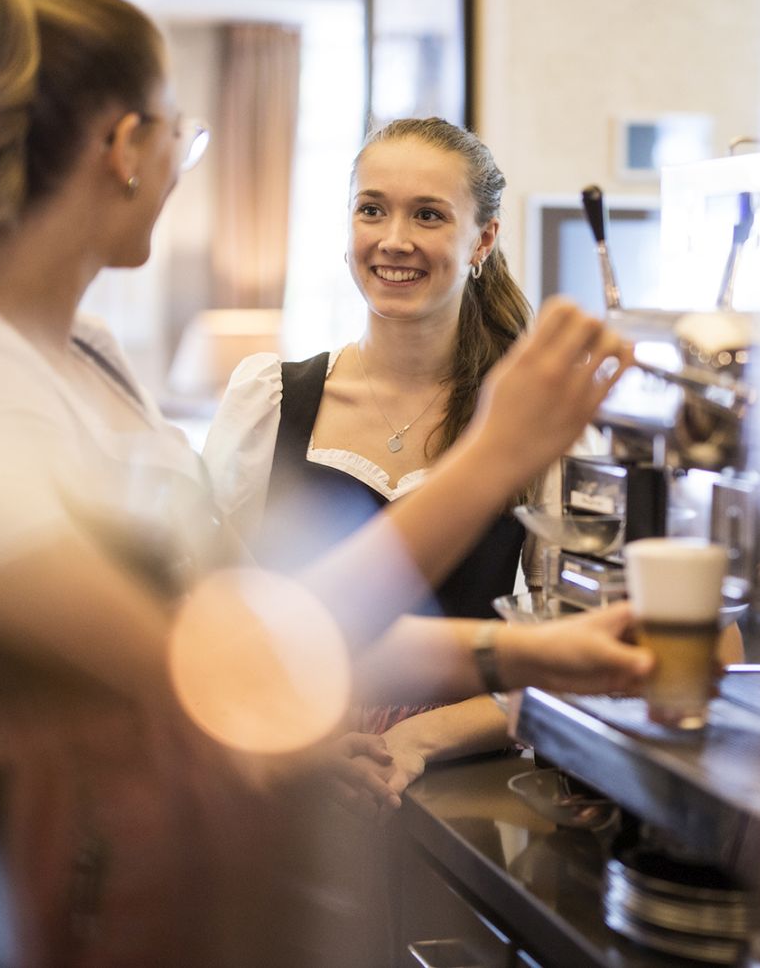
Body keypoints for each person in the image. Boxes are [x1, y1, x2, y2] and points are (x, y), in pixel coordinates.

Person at [0, 0, 644, 967]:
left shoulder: (83, 352)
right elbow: (228, 671)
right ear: (126, 146)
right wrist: (494, 457)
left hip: (170, 885)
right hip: (38, 909)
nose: (183, 162)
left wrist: (539, 655)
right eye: (182, 133)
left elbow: (258, 617)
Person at [203, 117, 537, 814]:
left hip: (462, 796)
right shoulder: (270, 399)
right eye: (372, 209)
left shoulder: (522, 425)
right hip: (283, 779)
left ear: (482, 239)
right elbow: (214, 618)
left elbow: (566, 659)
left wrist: (422, 738)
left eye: (428, 215)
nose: (394, 240)